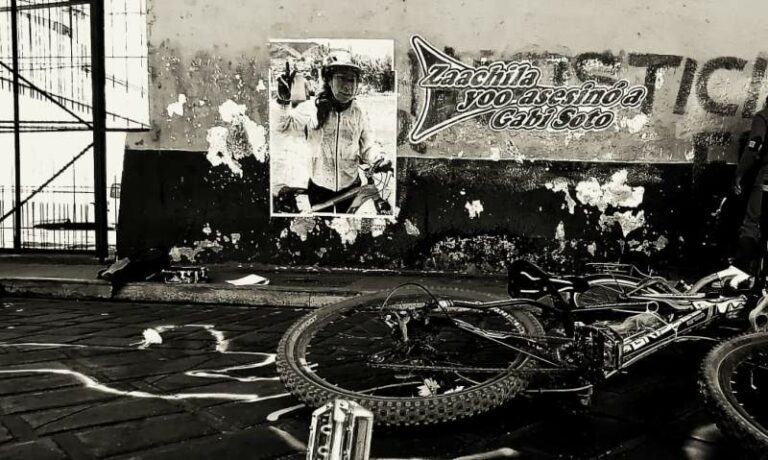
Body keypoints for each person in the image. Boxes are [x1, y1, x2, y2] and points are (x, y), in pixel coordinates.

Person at [276, 49, 390, 214]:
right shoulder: (311, 109)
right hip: (319, 189)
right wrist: (283, 102)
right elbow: (283, 127)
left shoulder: (359, 112)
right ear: (328, 80)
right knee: (323, 228)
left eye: (352, 80)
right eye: (341, 78)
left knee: (349, 226)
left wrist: (378, 159)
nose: (348, 86)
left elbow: (367, 147)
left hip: (350, 188)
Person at [719, 96, 768, 288]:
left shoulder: (764, 116)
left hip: (765, 179)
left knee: (752, 224)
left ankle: (744, 271)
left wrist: (739, 173)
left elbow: (754, 146)